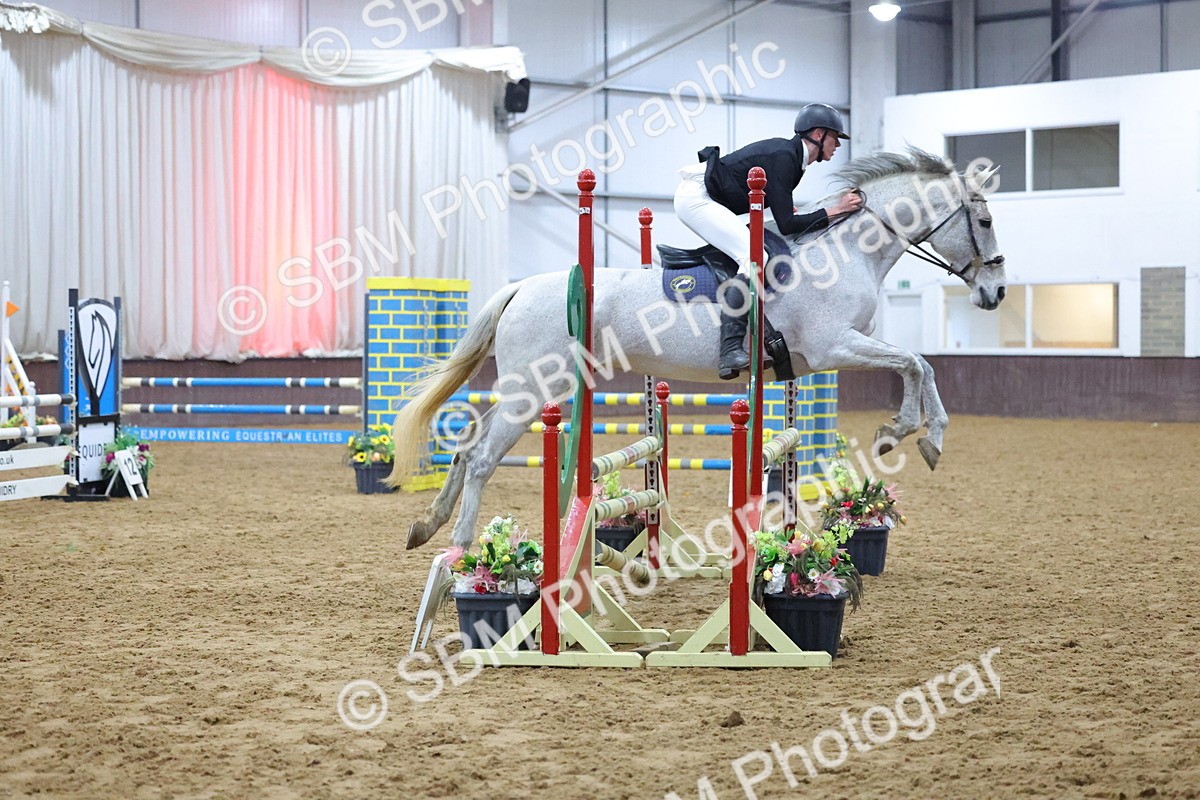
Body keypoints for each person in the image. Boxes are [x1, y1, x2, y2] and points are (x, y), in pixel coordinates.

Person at [674, 103, 863, 379]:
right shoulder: (785, 157)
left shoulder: (792, 159)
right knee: (754, 258)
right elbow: (787, 223)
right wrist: (836, 209)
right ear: (819, 134)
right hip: (696, 198)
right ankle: (729, 350)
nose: (837, 146)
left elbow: (784, 216)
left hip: (705, 197)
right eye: (835, 138)